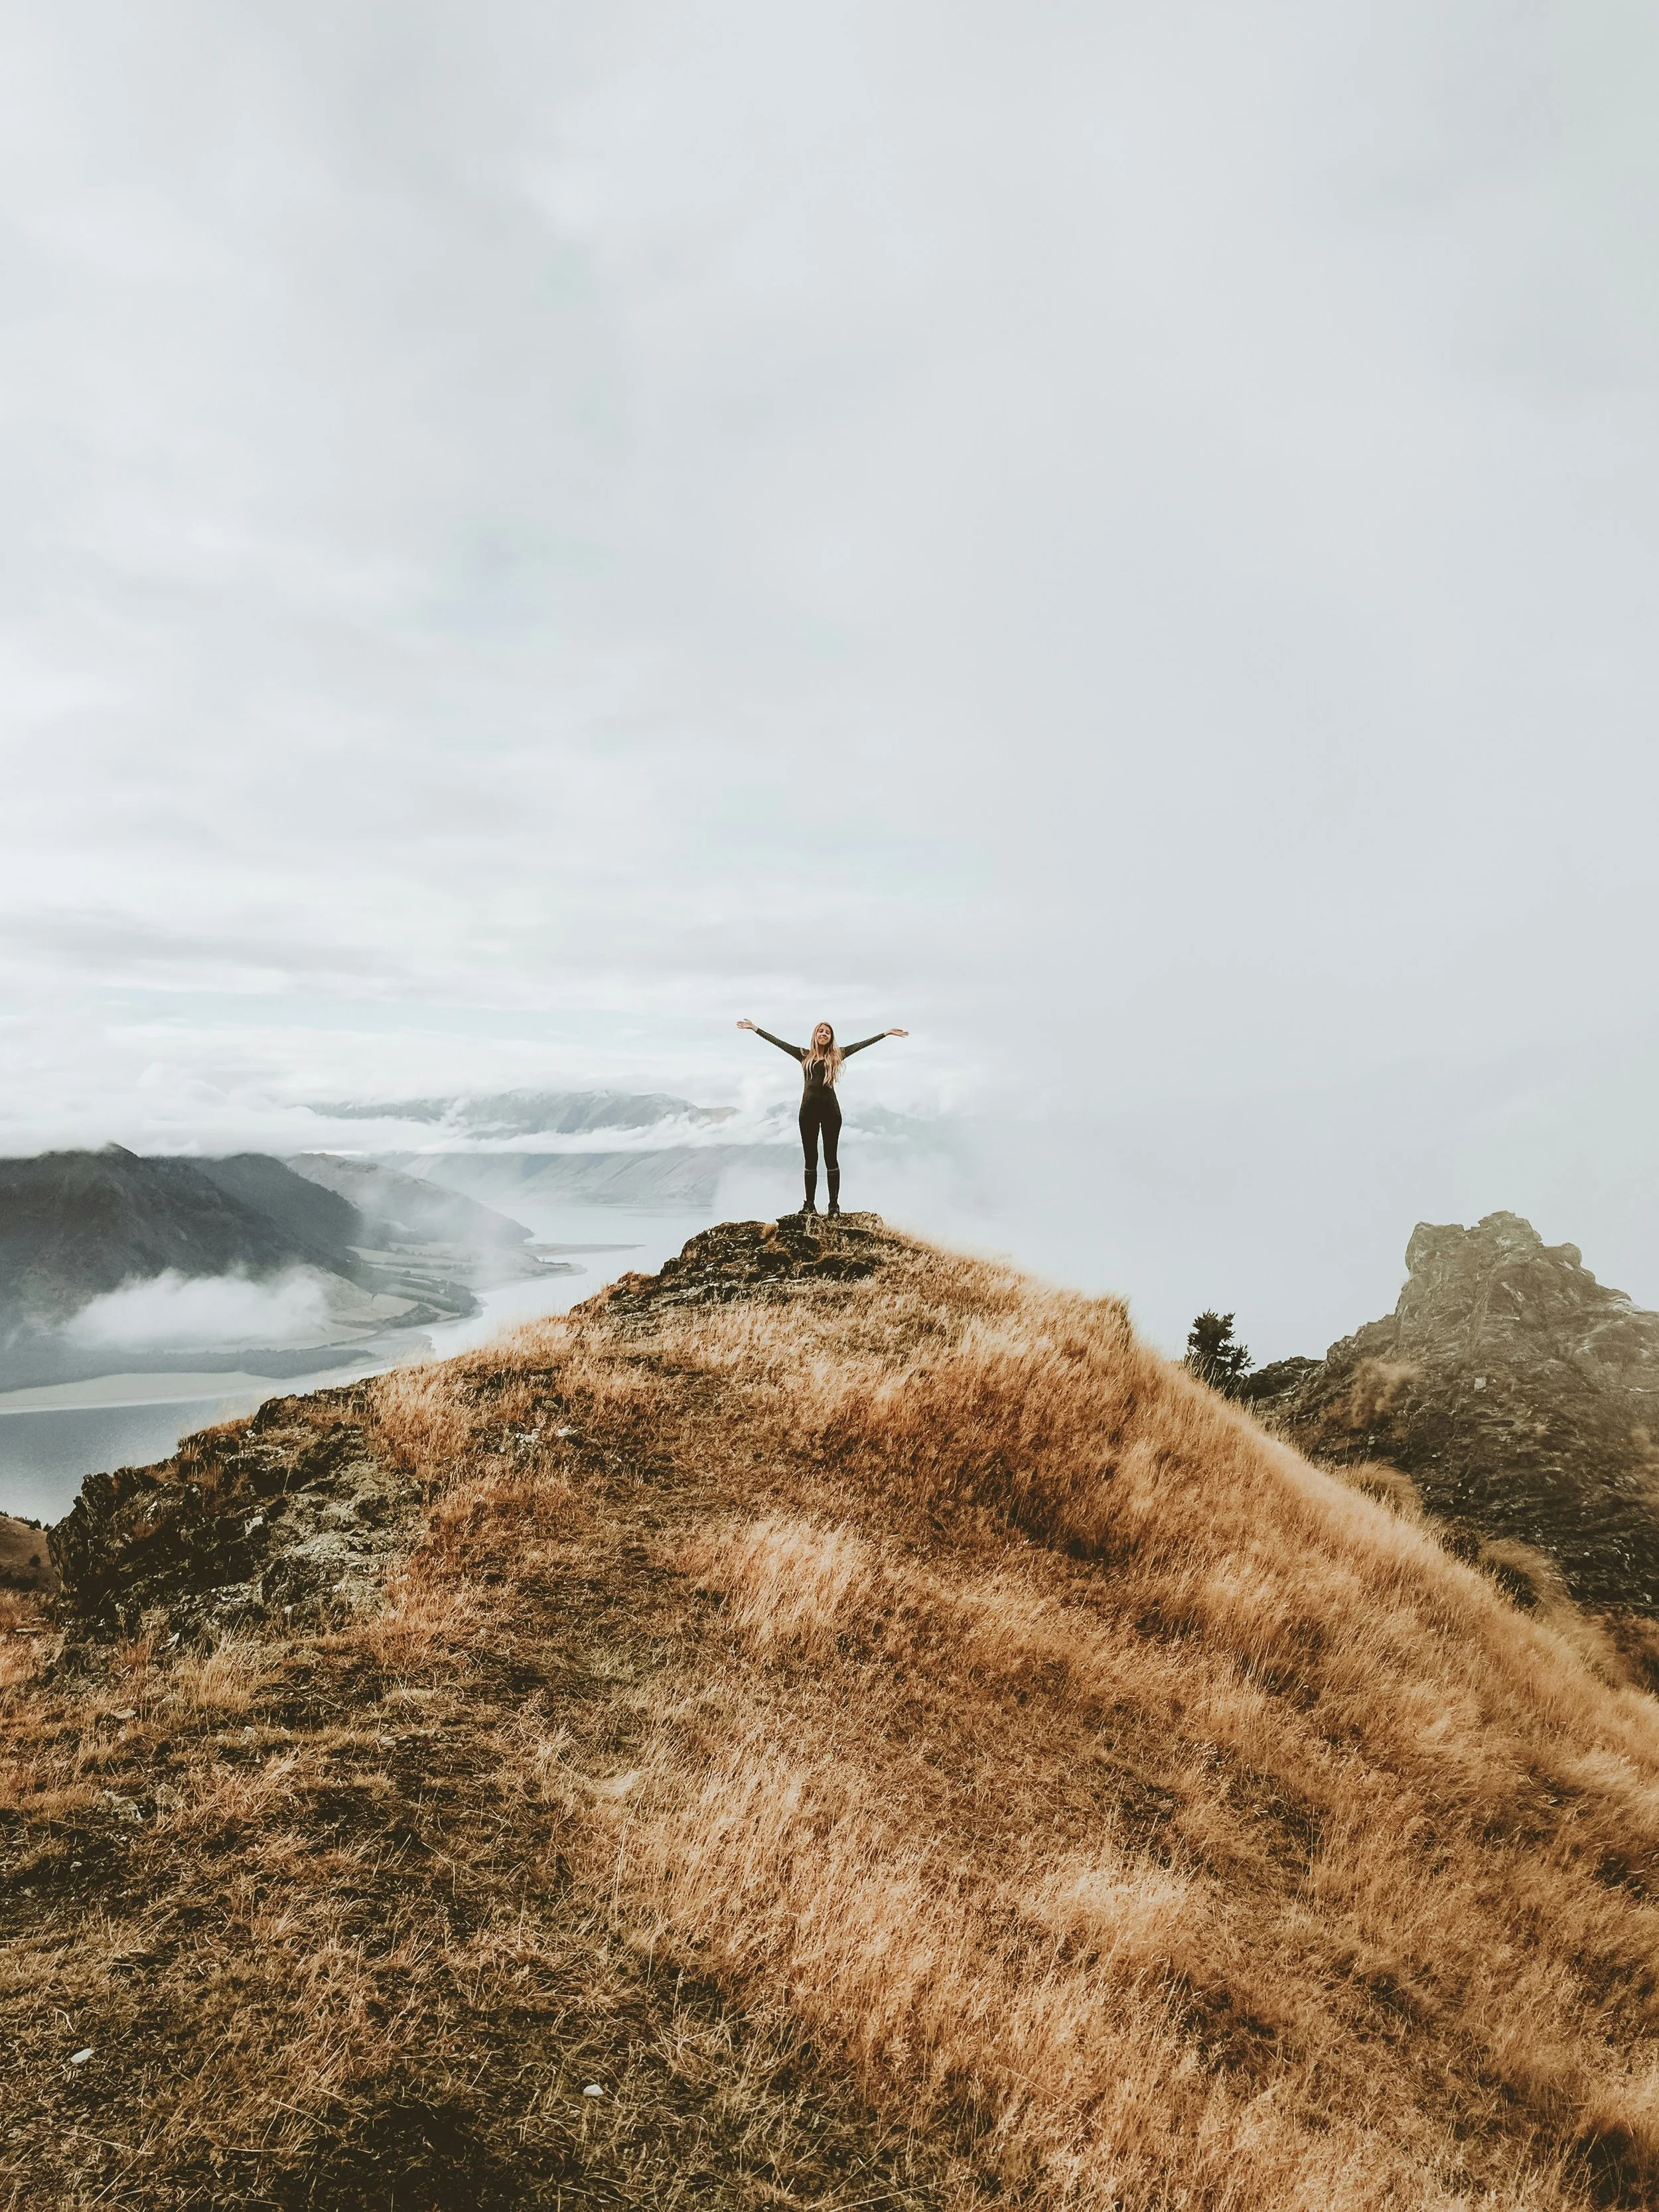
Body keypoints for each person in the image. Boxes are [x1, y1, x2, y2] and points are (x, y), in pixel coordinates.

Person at [737, 1017, 908, 1217]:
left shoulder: (838, 1055)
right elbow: (778, 1042)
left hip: (831, 1113)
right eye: (821, 1031)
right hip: (807, 1113)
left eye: (827, 1032)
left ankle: (833, 1206)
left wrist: (886, 1033)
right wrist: (755, 1028)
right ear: (815, 1035)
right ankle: (809, 1205)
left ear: (831, 1037)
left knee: (830, 1158)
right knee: (810, 1159)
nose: (824, 1034)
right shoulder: (804, 1055)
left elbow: (862, 1045)